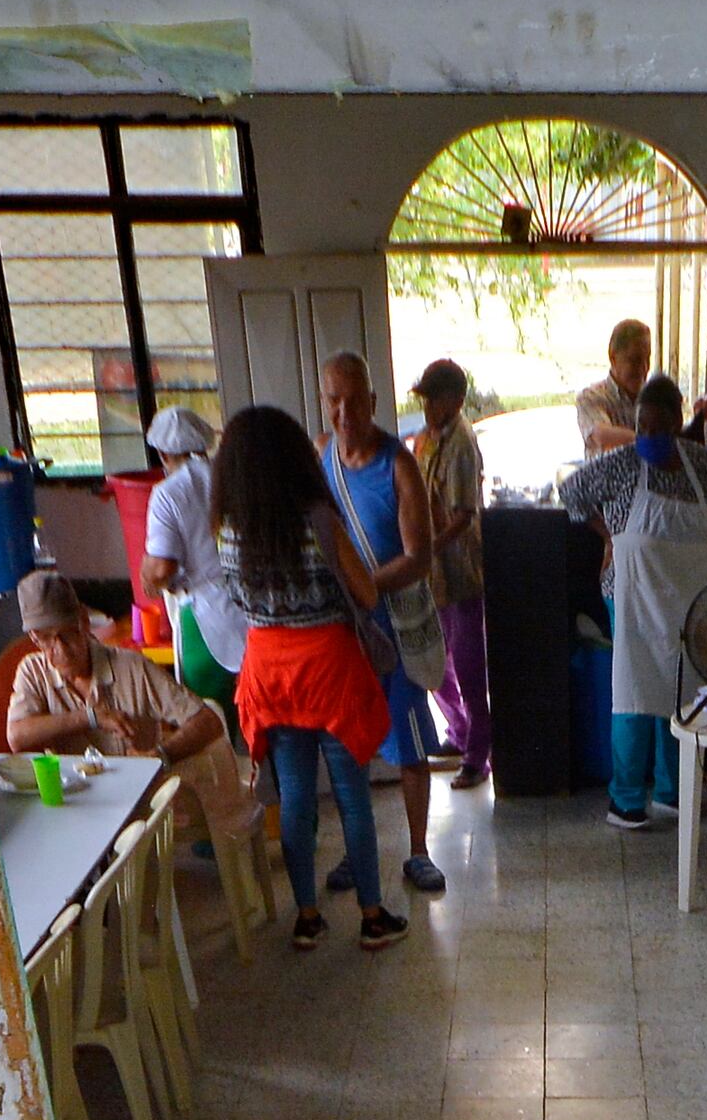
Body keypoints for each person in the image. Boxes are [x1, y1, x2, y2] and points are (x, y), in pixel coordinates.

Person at [208, 401, 408, 948]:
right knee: (351, 797)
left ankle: (307, 918)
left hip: (268, 672)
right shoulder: (318, 518)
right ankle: (371, 916)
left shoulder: (226, 529)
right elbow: (365, 593)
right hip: (329, 671)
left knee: (295, 794)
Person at [558, 372, 707, 829]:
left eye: (659, 428)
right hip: (630, 592)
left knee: (682, 693)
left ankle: (676, 791)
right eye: (642, 427)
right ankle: (626, 799)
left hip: (690, 600)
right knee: (634, 693)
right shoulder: (622, 463)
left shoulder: (702, 465)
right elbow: (571, 494)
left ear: (677, 423)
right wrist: (608, 533)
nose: (649, 436)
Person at [0, 570, 257, 853]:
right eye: (45, 639)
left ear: (84, 623)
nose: (58, 649)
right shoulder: (32, 671)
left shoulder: (132, 667)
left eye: (66, 634)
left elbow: (207, 721)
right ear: (34, 639)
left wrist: (161, 755)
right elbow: (17, 736)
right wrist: (90, 717)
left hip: (135, 808)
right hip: (78, 809)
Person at [315, 351, 446, 895]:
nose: (345, 411)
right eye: (333, 400)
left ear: (373, 400)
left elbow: (419, 555)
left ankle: (418, 853)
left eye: (355, 399)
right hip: (345, 632)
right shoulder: (323, 458)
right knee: (351, 745)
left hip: (395, 628)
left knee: (410, 744)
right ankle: (357, 849)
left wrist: (366, 584)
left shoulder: (399, 464)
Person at [409, 358, 493, 790]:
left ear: (455, 401)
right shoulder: (426, 440)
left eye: (433, 400)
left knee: (468, 665)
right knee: (433, 663)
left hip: (460, 573)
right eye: (424, 400)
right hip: (433, 577)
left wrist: (426, 550)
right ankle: (459, 730)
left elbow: (462, 516)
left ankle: (478, 755)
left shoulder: (461, 442)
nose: (427, 408)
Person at [131, 405, 246, 711]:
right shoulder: (232, 479)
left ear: (164, 455)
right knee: (254, 722)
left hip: (202, 621)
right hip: (249, 611)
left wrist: (147, 576)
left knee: (211, 724)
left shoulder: (168, 492)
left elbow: (161, 566)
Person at [573, 319, 655, 456]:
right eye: (634, 360)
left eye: (647, 359)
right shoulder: (591, 397)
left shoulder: (653, 398)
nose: (643, 369)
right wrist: (650, 444)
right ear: (613, 357)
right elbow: (601, 436)